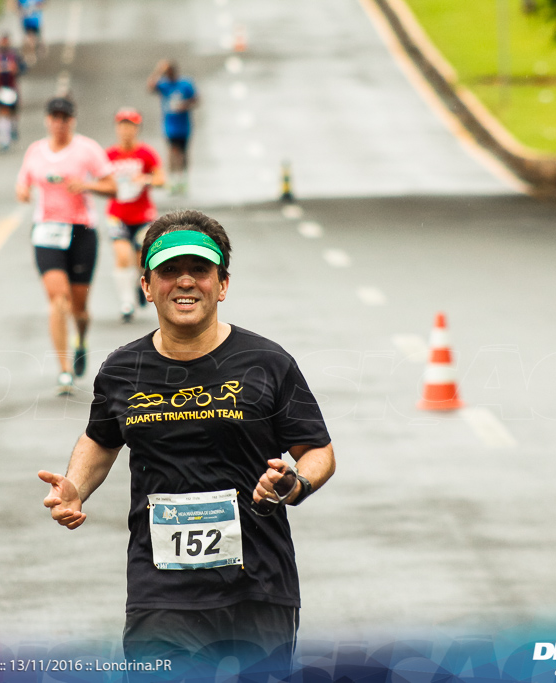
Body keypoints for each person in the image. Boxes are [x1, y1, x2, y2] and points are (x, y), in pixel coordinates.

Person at [37, 210, 336, 675]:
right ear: (146, 285)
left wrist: (294, 483)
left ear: (223, 284)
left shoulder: (267, 362)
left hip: (256, 585)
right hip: (160, 590)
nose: (185, 282)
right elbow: (101, 438)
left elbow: (317, 450)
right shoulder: (122, 369)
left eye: (200, 270)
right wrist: (75, 485)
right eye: (169, 271)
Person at [16, 97, 116, 395]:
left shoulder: (87, 149)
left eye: (65, 118)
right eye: (55, 117)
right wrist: (22, 191)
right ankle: (63, 370)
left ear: (73, 120)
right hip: (46, 232)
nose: (60, 123)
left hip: (81, 231)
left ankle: (81, 338)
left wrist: (87, 185)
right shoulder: (36, 151)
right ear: (48, 120)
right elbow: (23, 183)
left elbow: (111, 186)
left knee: (79, 308)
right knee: (57, 300)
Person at [105, 107, 164, 323]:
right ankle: (126, 303)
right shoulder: (109, 155)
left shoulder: (145, 154)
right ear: (117, 128)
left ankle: (139, 284)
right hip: (117, 215)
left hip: (143, 216)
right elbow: (99, 179)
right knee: (121, 255)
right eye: (122, 125)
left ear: (136, 128)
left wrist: (145, 180)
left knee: (141, 258)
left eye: (130, 125)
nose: (126, 130)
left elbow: (161, 178)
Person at [147, 60, 197, 195]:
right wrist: (158, 70)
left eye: (169, 73)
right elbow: (150, 87)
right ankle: (174, 180)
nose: (168, 76)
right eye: (166, 73)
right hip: (170, 126)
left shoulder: (186, 84)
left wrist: (184, 105)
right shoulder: (163, 84)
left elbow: (196, 100)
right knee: (173, 152)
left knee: (183, 154)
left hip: (184, 125)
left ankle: (183, 179)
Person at [0, 34, 26, 151]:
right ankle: (4, 139)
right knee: (2, 113)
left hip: (12, 87)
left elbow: (22, 68)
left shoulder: (15, 55)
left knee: (12, 113)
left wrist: (15, 69)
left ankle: (12, 130)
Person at [18, 0, 45, 65]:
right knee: (28, 39)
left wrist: (36, 8)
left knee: (34, 39)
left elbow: (43, 5)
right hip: (26, 21)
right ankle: (27, 54)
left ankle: (33, 53)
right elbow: (18, 7)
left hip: (35, 20)